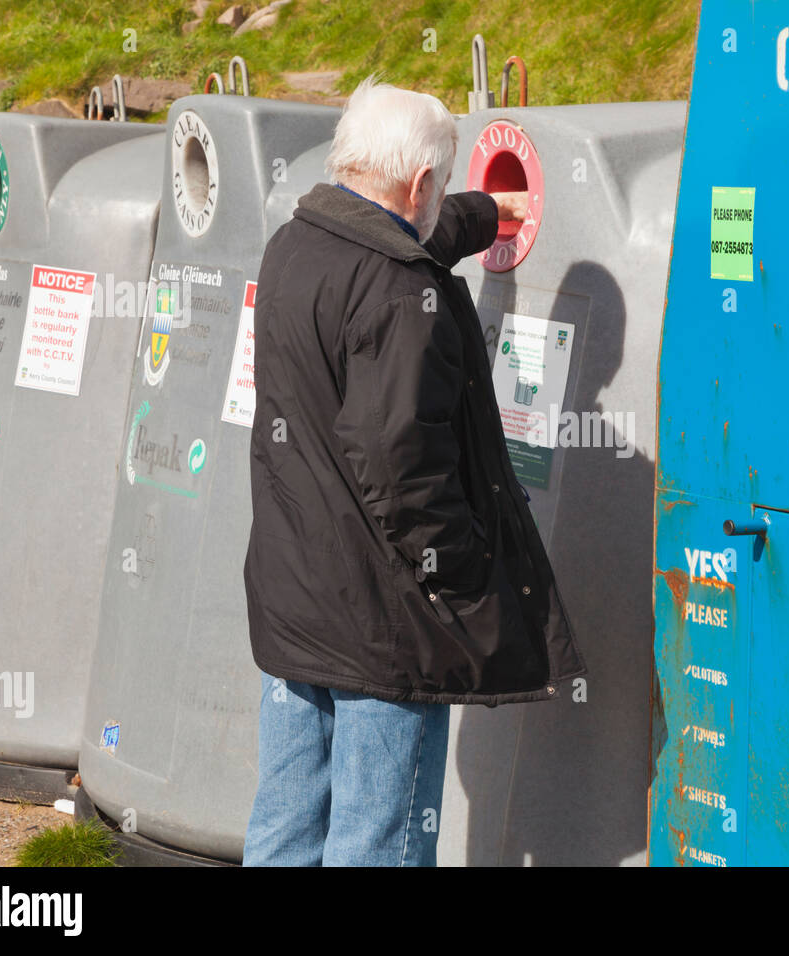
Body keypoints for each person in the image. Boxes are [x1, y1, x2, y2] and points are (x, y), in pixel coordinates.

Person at [241, 78, 586, 867]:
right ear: (421, 183)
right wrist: (462, 577)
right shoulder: (403, 293)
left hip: (295, 607)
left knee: (285, 832)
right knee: (380, 844)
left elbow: (394, 235)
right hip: (387, 629)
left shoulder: (295, 244)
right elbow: (402, 470)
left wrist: (487, 213)